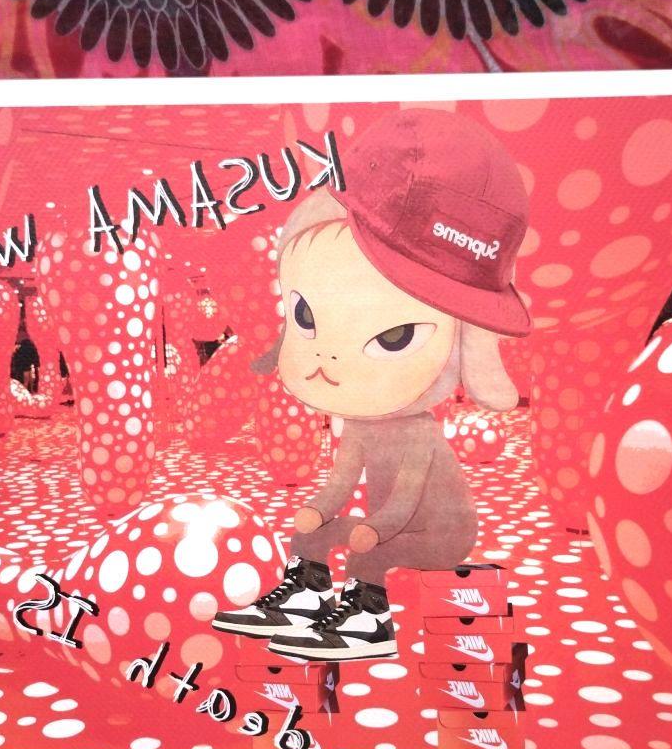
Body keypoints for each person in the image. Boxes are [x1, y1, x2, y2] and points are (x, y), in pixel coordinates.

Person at [212, 108, 531, 661]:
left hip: (436, 534)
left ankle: (370, 622)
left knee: (366, 554)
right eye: (304, 317)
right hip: (387, 525)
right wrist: (318, 511)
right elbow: (342, 479)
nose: (327, 357)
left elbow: (406, 498)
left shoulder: (418, 433)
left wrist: (376, 530)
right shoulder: (360, 424)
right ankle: (308, 597)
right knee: (312, 537)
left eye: (395, 337)